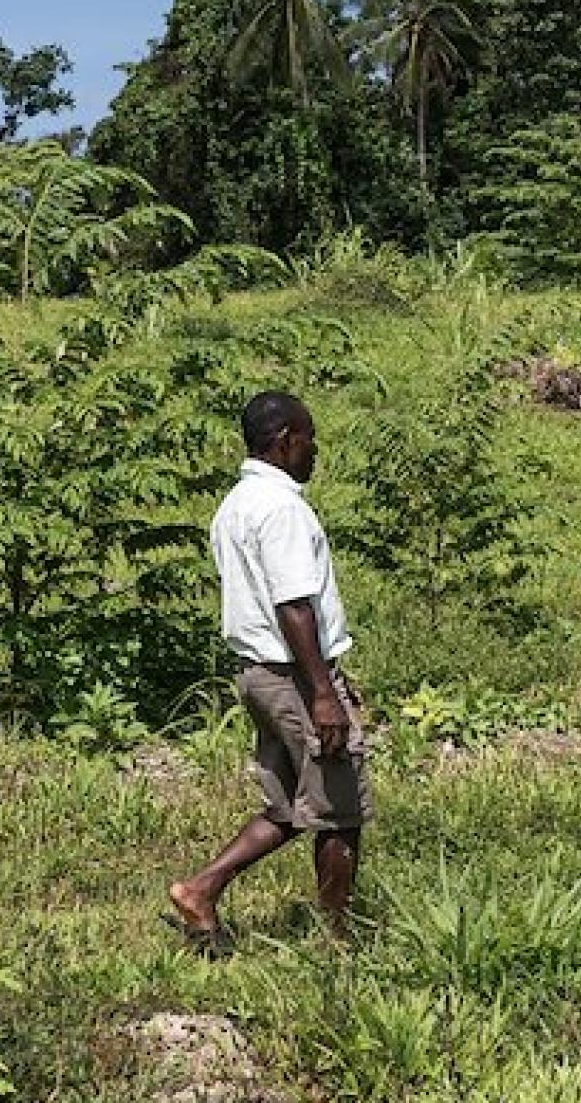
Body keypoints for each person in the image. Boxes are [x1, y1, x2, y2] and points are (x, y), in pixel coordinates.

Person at [166, 391, 370, 957]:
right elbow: (293, 606)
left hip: (259, 675)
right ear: (285, 440)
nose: (315, 451)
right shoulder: (281, 508)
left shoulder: (236, 503)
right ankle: (338, 944)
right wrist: (323, 693)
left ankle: (201, 890)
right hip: (292, 679)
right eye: (309, 439)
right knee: (340, 811)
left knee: (287, 806)